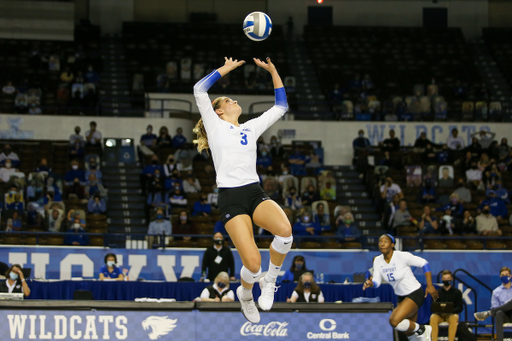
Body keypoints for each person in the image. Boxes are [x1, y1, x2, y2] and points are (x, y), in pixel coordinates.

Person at [193, 57, 293, 322]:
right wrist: (224, 70)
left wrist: (273, 70)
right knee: (252, 264)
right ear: (218, 111)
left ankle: (270, 281)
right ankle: (246, 294)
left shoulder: (250, 127)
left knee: (285, 233)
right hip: (230, 197)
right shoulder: (215, 127)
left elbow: (281, 106)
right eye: (227, 100)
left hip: (253, 190)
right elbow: (199, 90)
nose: (234, 101)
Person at [364, 234, 438, 340]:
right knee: (408, 331)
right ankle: (420, 336)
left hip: (415, 293)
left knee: (394, 321)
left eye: (385, 242)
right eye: (380, 242)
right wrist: (371, 283)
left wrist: (430, 285)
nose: (382, 244)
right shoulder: (377, 260)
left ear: (392, 244)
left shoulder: (402, 256)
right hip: (401, 296)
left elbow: (424, 263)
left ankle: (423, 328)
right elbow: (377, 281)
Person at [474, 266, 512, 341]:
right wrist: (495, 311)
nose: (505, 276)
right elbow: (495, 309)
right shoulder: (496, 292)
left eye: (506, 274)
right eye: (503, 275)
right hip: (505, 315)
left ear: (510, 276)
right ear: (500, 277)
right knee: (498, 313)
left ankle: (488, 313)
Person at [430, 270, 463, 341]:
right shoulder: (437, 292)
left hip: (451, 315)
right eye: (444, 279)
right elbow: (432, 307)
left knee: (454, 317)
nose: (446, 280)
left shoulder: (457, 292)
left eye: (448, 278)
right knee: (433, 317)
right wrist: (439, 310)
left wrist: (451, 310)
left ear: (451, 279)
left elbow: (460, 307)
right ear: (442, 279)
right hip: (440, 315)